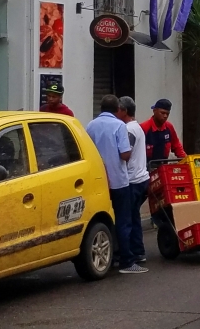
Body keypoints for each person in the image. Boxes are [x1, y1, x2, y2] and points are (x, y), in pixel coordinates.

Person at [85, 95, 147, 274]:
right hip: (119, 181)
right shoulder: (120, 126)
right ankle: (127, 261)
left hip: (98, 180)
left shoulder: (91, 125)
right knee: (124, 221)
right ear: (116, 109)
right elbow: (125, 154)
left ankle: (108, 256)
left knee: (102, 218)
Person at [118, 96, 149, 266]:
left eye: (118, 109)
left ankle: (129, 254)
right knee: (134, 216)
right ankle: (139, 251)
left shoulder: (128, 130)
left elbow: (125, 153)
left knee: (127, 219)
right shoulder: (137, 127)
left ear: (124, 111)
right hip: (141, 178)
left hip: (132, 180)